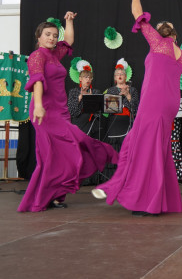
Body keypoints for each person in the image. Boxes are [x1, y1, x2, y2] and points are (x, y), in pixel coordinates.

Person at [92, 0, 182, 216]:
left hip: (154, 102)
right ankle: (160, 198)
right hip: (169, 103)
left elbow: (138, 15)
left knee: (144, 148)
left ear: (164, 34)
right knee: (153, 148)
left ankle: (146, 201)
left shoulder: (159, 43)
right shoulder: (180, 53)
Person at [19, 12, 118, 212]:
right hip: (45, 112)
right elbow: (37, 80)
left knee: (60, 154)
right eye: (48, 34)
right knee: (55, 153)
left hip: (60, 111)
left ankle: (54, 196)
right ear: (38, 37)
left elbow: (69, 40)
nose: (52, 38)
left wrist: (69, 21)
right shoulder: (37, 56)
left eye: (55, 35)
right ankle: (45, 197)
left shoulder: (54, 54)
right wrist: (38, 105)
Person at [105, 58, 139, 151]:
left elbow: (135, 109)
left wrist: (127, 95)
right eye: (117, 74)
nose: (119, 75)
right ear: (115, 77)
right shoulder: (110, 90)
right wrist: (118, 97)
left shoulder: (132, 90)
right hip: (113, 124)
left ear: (126, 76)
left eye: (122, 74)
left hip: (127, 122)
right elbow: (109, 109)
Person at [67, 64, 101, 136]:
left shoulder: (95, 92)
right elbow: (71, 111)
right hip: (76, 123)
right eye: (86, 77)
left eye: (90, 77)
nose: (88, 79)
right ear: (80, 79)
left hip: (90, 124)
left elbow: (98, 113)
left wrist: (91, 99)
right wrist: (80, 97)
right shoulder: (73, 91)